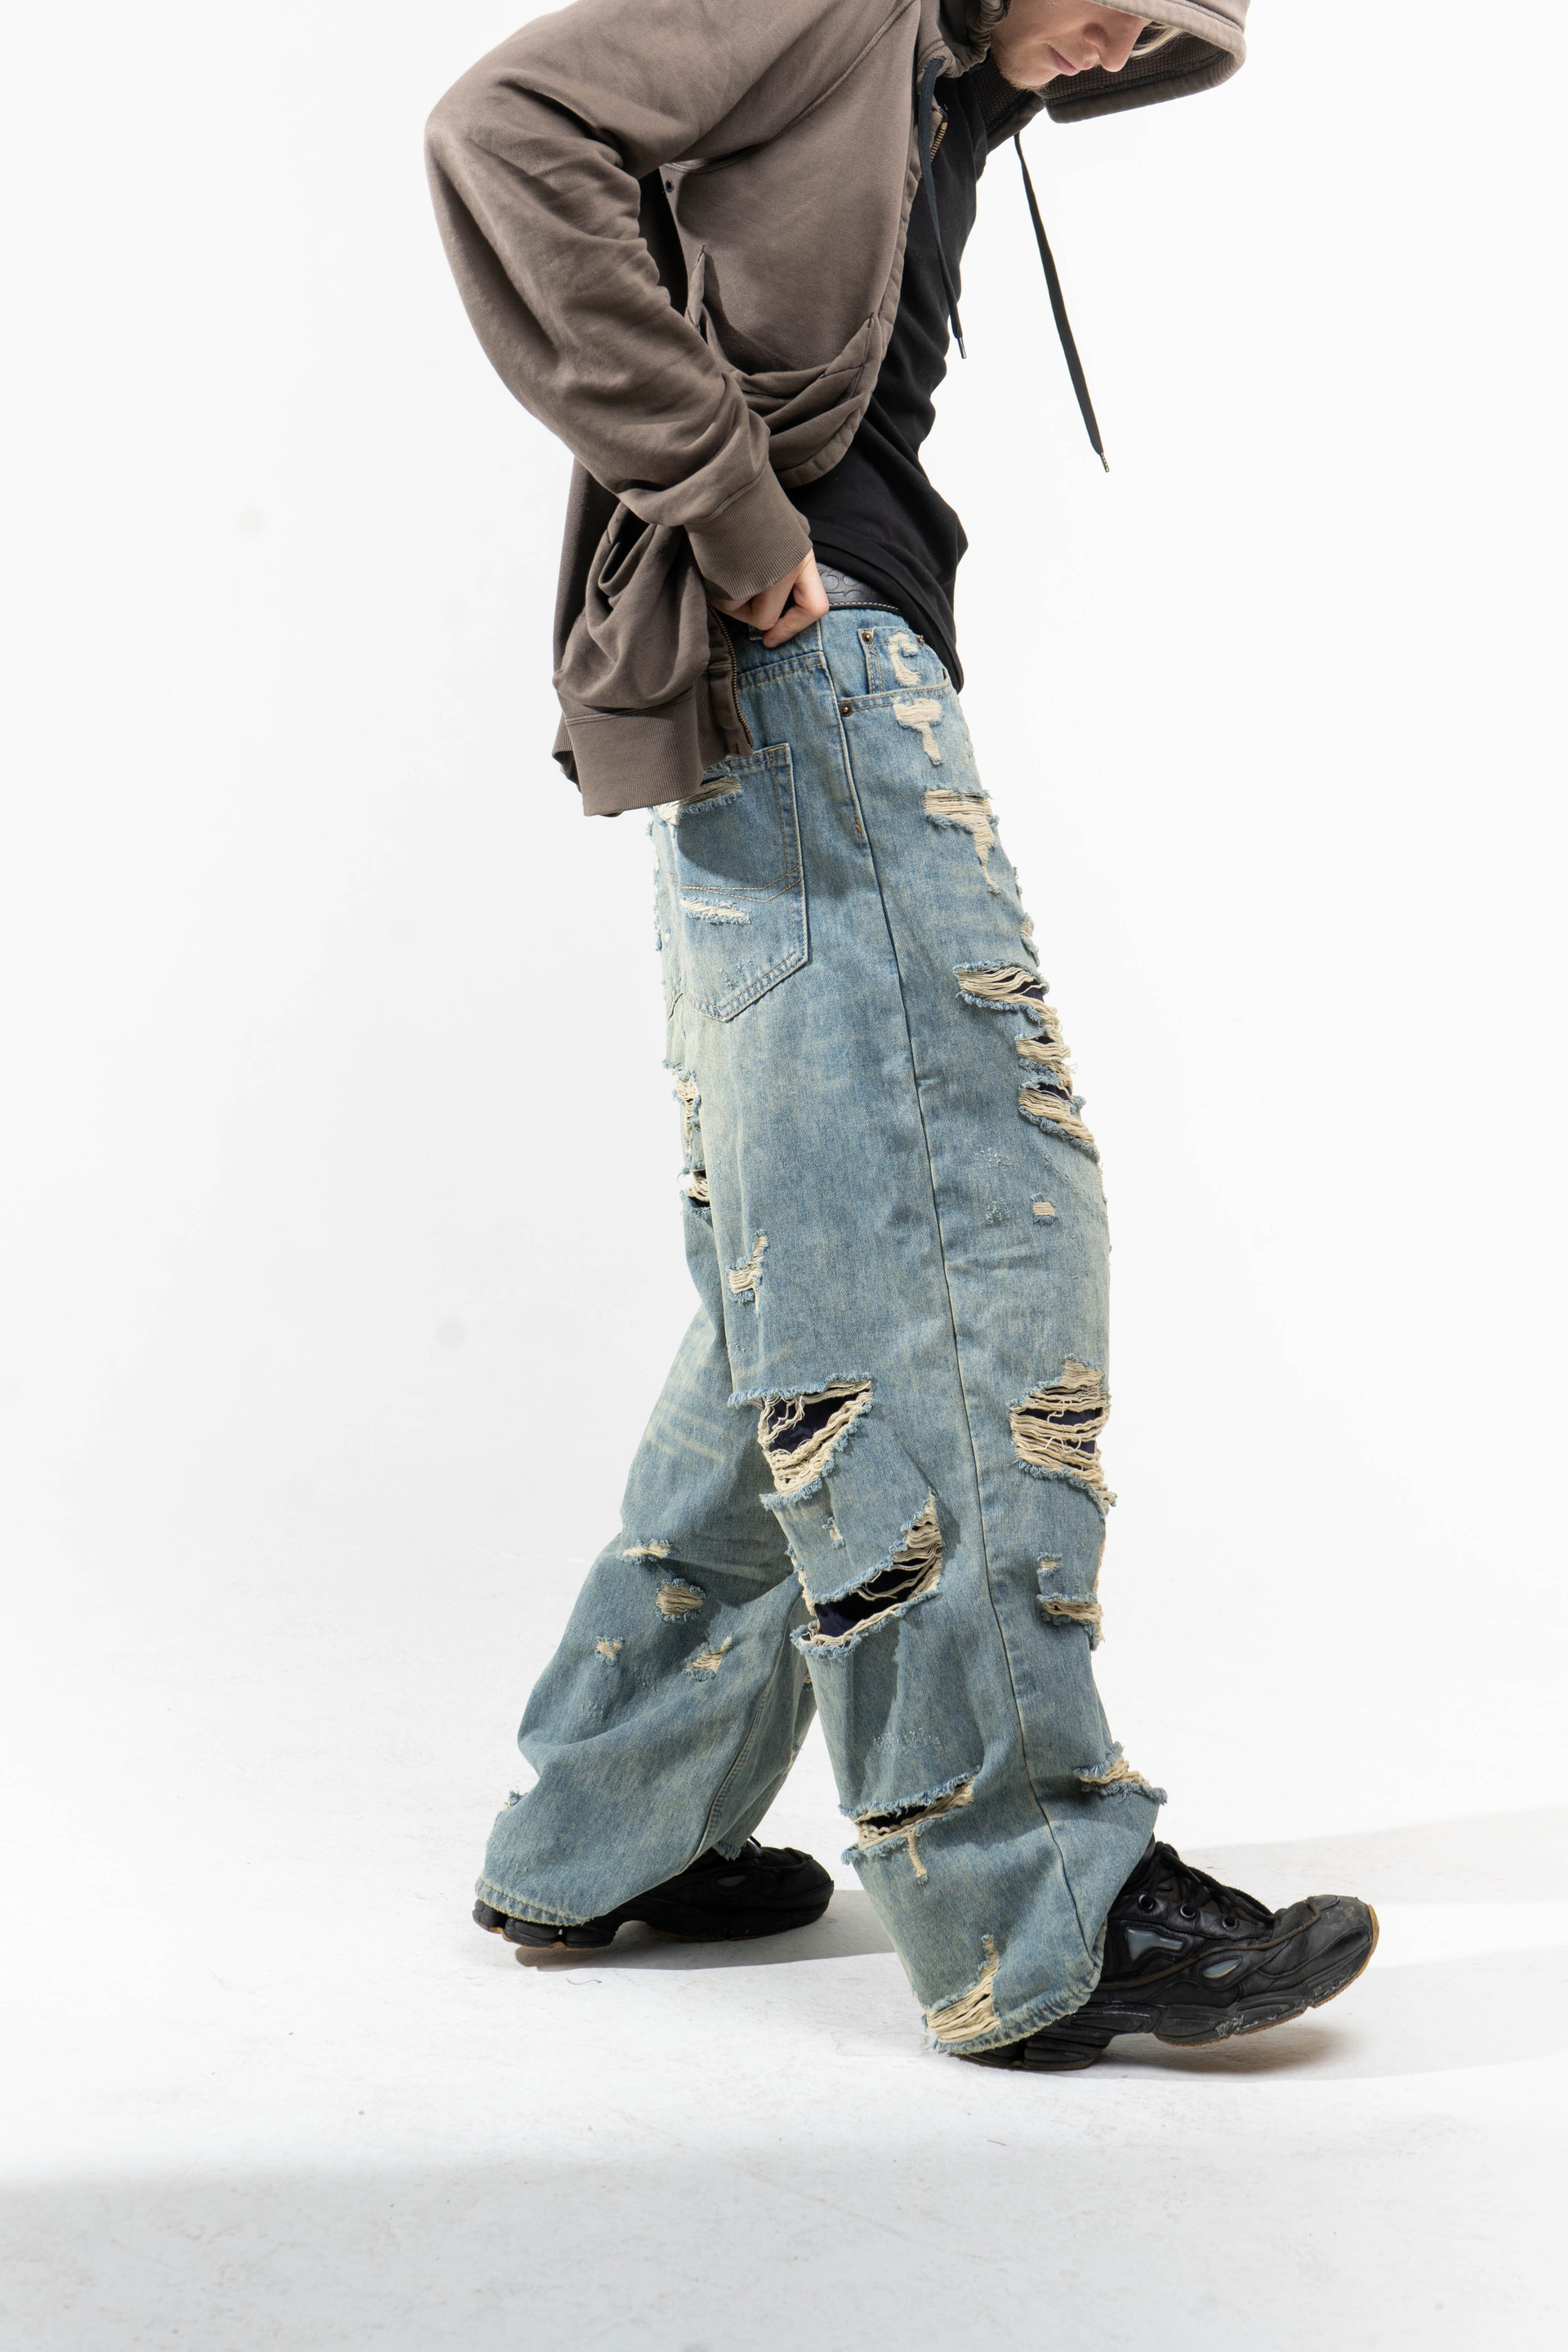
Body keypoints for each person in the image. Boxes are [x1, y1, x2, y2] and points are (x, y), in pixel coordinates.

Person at [425, 0, 1378, 2072]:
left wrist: (1013, 81)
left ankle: (607, 1830)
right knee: (967, 1233)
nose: (1126, 41)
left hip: (795, 696)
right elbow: (503, 129)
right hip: (811, 670)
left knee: (812, 1270)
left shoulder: (940, 86)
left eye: (1162, 29)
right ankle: (1039, 1903)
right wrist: (741, 513)